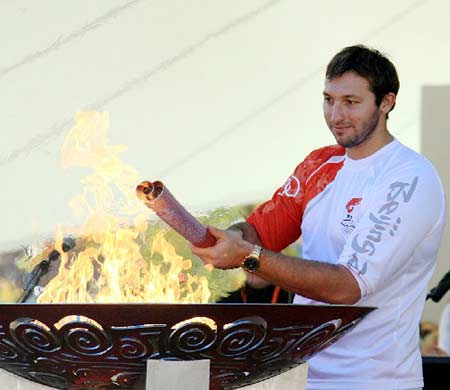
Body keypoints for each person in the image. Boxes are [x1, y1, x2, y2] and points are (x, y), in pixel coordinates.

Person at [191, 45, 447, 390]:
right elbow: (259, 232)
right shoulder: (321, 164)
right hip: (301, 376)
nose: (336, 114)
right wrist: (228, 238)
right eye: (328, 99)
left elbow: (347, 287)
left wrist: (247, 257)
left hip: (373, 381)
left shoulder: (408, 177)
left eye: (351, 102)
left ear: (386, 102)